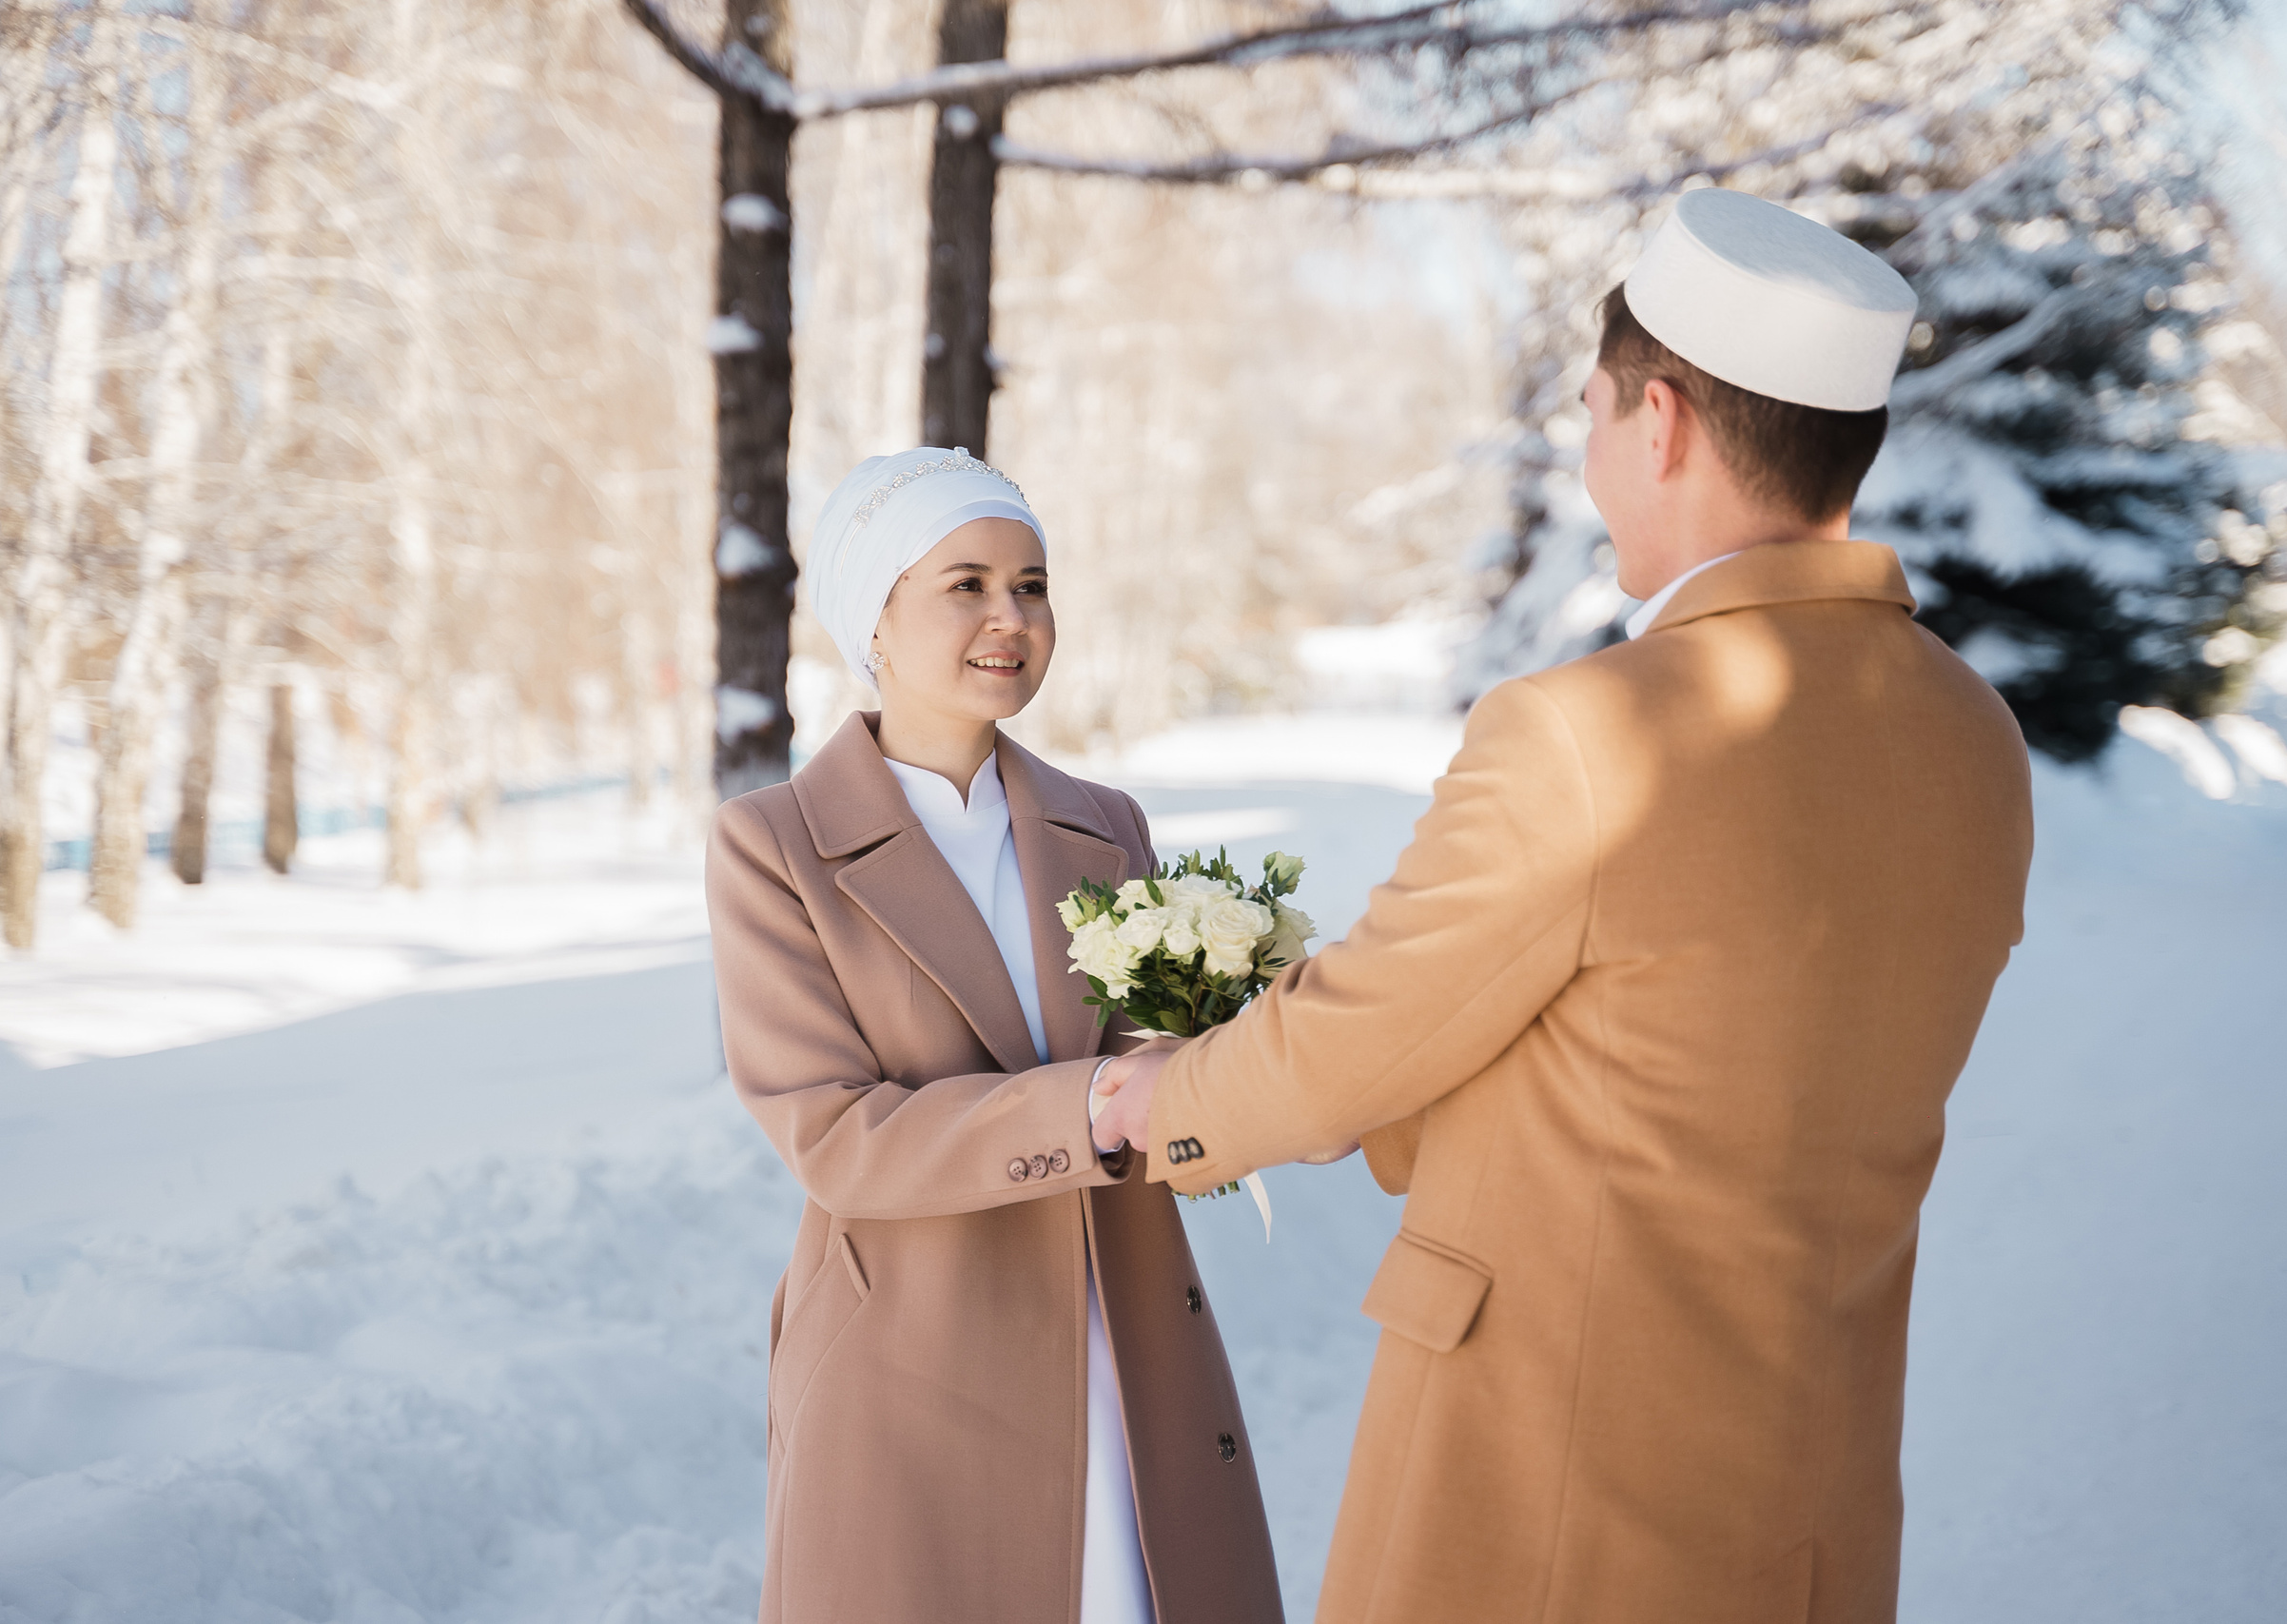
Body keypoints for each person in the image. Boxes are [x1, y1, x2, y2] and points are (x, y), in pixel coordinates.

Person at [1091, 188, 2037, 1624]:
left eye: (1592, 414)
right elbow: (1685, 1040)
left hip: (1548, 1504)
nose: (1589, 459)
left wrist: (1149, 1103)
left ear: (1659, 422)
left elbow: (1356, 1039)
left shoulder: (1592, 735)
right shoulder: (1976, 739)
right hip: (1811, 1498)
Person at [707, 447, 1285, 1624]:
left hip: (1122, 1347)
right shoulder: (773, 846)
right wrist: (1092, 1107)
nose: (1009, 618)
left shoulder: (1103, 824)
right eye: (964, 584)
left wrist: (1253, 1066)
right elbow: (835, 1137)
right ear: (873, 616)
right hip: (912, 1362)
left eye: (1031, 584)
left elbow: (1160, 1060)